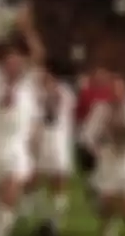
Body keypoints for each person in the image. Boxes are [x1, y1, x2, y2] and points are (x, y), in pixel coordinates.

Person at [82, 75, 125, 236]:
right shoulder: (100, 110)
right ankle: (108, 231)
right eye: (113, 89)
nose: (116, 93)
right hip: (108, 161)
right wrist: (98, 149)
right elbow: (87, 136)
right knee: (107, 206)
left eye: (120, 89)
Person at [25, 67, 75, 236]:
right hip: (38, 143)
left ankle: (54, 223)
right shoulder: (34, 92)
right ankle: (39, 220)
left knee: (58, 183)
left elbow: (53, 114)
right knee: (32, 182)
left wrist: (47, 95)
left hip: (58, 143)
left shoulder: (64, 92)